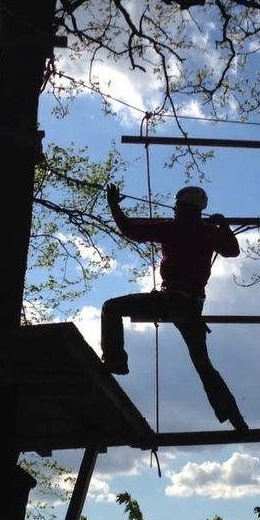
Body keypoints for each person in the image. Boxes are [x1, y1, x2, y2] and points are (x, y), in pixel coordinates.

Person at [102, 183, 248, 431]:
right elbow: (232, 250)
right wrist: (223, 225)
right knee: (203, 364)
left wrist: (114, 205)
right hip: (191, 306)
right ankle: (235, 418)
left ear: (179, 206)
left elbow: (130, 230)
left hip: (169, 300)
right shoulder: (208, 231)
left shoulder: (171, 228)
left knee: (111, 308)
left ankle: (116, 361)